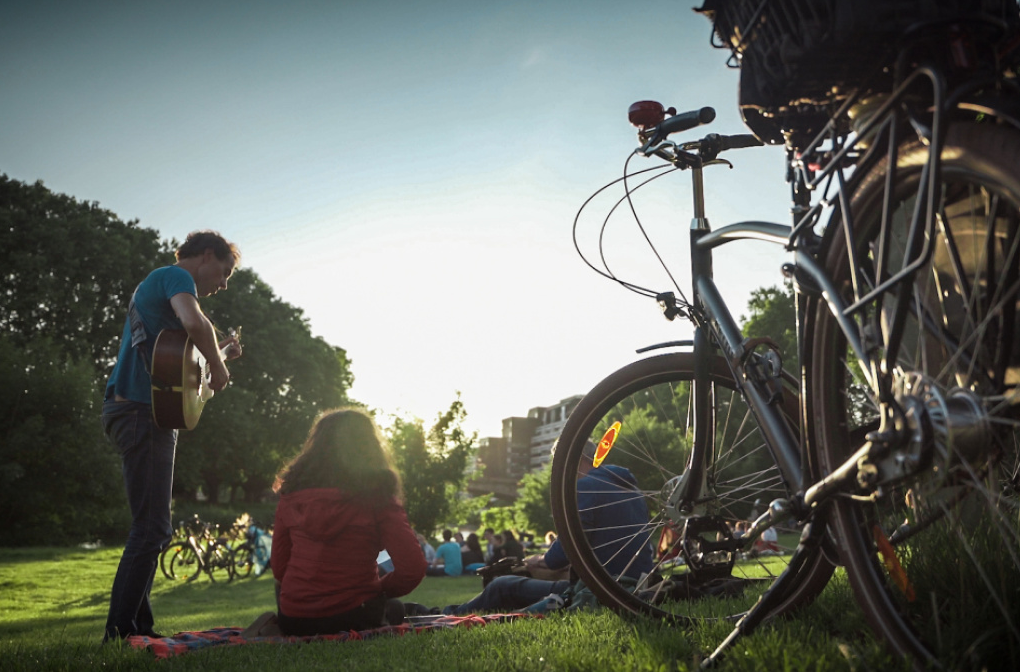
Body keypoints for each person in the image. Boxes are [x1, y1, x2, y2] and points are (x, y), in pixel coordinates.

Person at [101, 230, 242, 642]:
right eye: (225, 272)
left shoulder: (162, 296)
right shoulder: (174, 276)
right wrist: (220, 365)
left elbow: (183, 376)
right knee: (152, 530)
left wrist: (217, 356)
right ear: (207, 255)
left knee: (152, 528)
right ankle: (119, 634)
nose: (224, 284)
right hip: (140, 413)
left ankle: (139, 629)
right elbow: (194, 322)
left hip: (148, 415)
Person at [412, 441, 653, 615]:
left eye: (557, 465)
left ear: (571, 459)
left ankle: (445, 615)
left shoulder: (586, 486)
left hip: (603, 588)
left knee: (502, 586)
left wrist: (540, 560)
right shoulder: (631, 489)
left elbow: (560, 555)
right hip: (633, 584)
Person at [265, 408, 427, 636]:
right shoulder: (378, 496)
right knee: (396, 608)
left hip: (294, 620)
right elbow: (412, 569)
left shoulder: (291, 495)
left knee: (395, 608)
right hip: (354, 615)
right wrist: (377, 589)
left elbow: (280, 567)